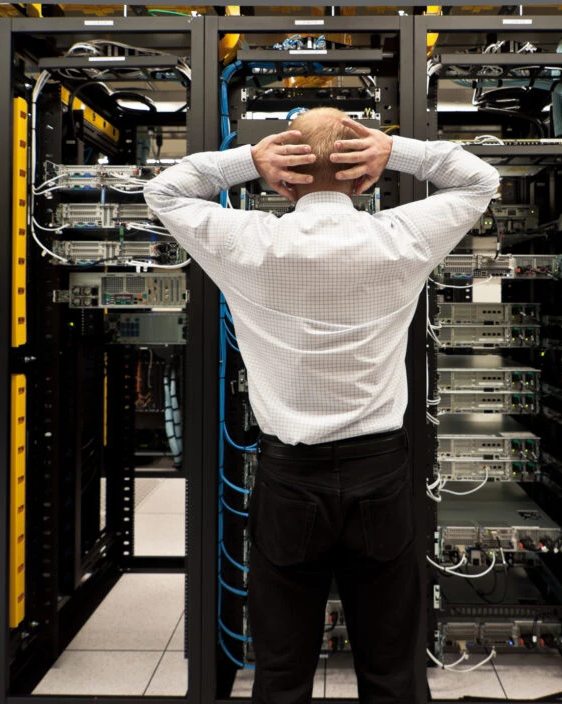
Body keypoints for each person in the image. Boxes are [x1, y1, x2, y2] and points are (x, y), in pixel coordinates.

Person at [145, 108, 499, 704]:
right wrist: (397, 150)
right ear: (366, 179)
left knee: (282, 671)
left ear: (283, 178)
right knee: (391, 669)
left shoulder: (248, 241)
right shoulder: (401, 236)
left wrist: (247, 161)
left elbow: (165, 189)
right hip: (381, 475)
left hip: (289, 479)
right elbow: (479, 180)